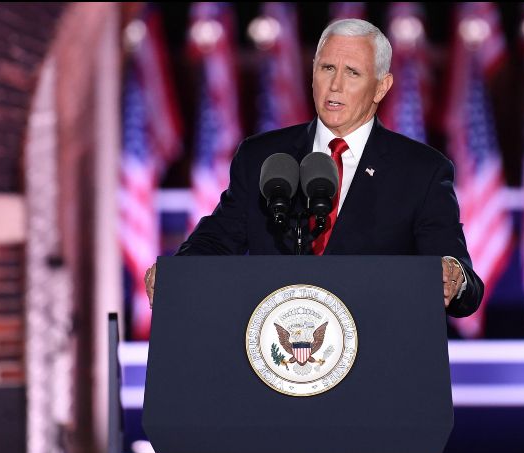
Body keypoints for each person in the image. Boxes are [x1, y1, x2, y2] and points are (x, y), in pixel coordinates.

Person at [145, 18, 483, 318]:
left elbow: (461, 276)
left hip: (376, 365)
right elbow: (218, 239)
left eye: (352, 72)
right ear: (312, 75)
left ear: (381, 86)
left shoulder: (421, 170)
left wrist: (453, 276)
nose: (335, 86)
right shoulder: (263, 157)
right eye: (326, 69)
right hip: (275, 361)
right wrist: (176, 273)